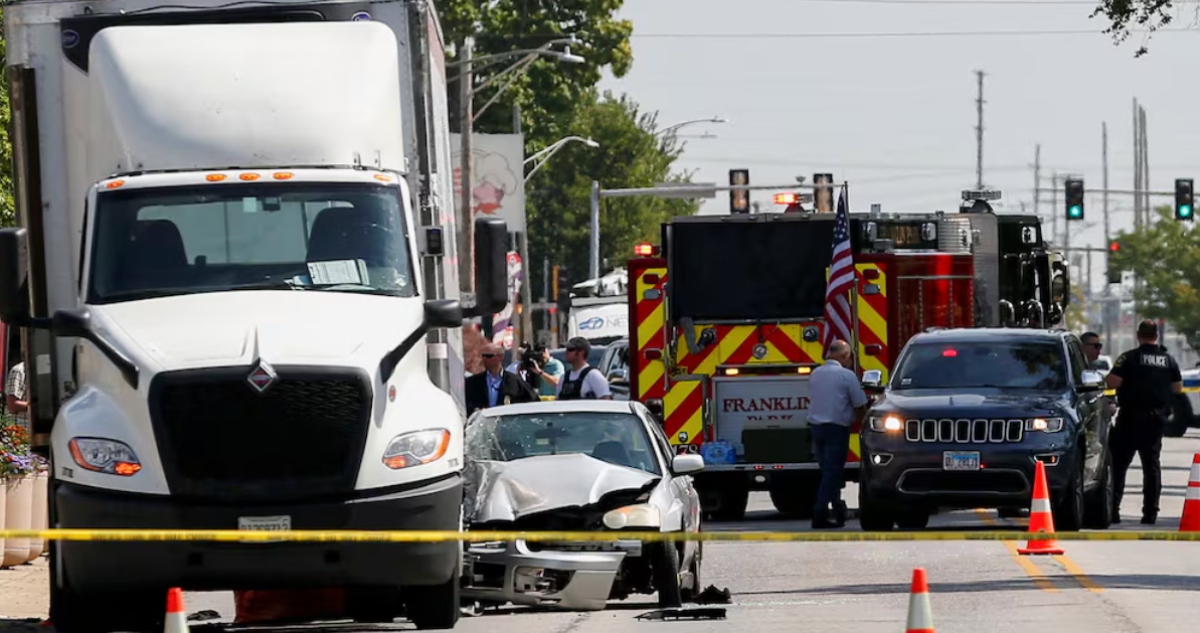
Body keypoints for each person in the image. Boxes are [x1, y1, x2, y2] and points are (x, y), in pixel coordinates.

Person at [1105, 319, 1182, 525]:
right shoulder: (1168, 360)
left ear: (1138, 336)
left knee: (1119, 467)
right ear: (1156, 336)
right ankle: (1150, 513)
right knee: (1152, 467)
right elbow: (1177, 388)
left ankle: (1113, 510)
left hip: (1130, 419)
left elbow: (1112, 382)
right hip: (1155, 420)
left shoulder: (1129, 358)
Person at [805, 339, 869, 529]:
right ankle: (820, 515)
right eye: (849, 356)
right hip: (836, 429)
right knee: (832, 473)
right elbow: (859, 404)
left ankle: (838, 509)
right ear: (844, 356)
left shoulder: (815, 374)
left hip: (816, 428)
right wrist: (866, 424)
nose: (850, 360)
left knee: (828, 472)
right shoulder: (846, 376)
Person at [465, 343, 538, 416]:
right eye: (483, 356)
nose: (484, 359)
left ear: (500, 357)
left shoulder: (515, 381)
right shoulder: (473, 382)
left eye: (488, 356)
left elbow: (534, 401)